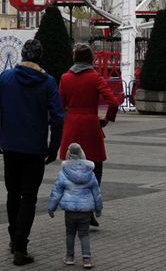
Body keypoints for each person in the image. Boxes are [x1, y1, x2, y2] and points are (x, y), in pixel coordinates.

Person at [0, 38, 65, 266]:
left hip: (10, 146)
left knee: (12, 193)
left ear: (21, 54)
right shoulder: (48, 82)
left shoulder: (6, 78)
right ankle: (21, 245)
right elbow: (58, 118)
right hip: (34, 148)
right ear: (40, 57)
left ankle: (14, 238)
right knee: (29, 197)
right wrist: (54, 146)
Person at [58, 45, 119, 228]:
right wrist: (107, 118)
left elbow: (59, 105)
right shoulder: (95, 78)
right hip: (91, 127)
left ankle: (73, 210)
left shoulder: (65, 78)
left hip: (72, 127)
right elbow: (113, 102)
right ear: (91, 59)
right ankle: (89, 208)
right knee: (95, 169)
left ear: (75, 59)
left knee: (70, 171)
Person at [46, 143, 103, 269]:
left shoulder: (63, 173)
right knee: (84, 234)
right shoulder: (90, 173)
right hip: (85, 211)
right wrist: (98, 209)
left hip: (70, 211)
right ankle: (87, 259)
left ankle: (70, 256)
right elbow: (96, 193)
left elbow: (56, 192)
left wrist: (51, 207)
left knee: (70, 233)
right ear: (83, 155)